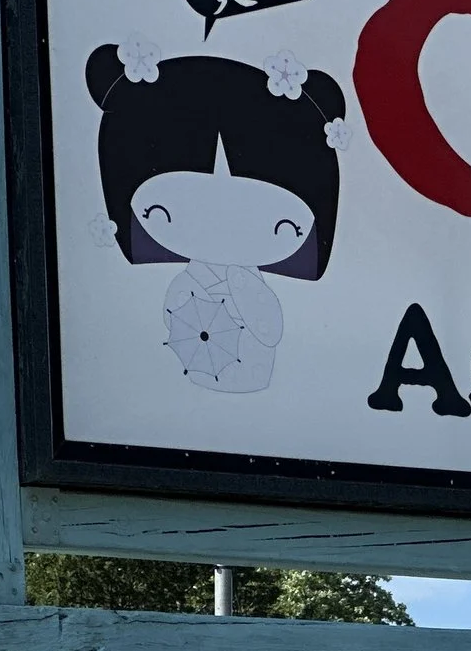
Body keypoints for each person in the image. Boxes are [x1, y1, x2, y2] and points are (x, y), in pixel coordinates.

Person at [86, 40, 348, 393]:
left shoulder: (247, 281)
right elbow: (174, 316)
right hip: (196, 370)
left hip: (255, 372)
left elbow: (270, 330)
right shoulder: (192, 280)